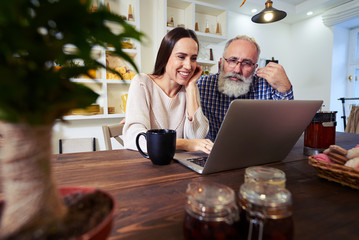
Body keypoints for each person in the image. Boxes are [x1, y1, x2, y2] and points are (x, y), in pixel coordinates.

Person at [123, 27, 213, 154]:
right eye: (181, 57)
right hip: (147, 166)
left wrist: (191, 87)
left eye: (193, 58)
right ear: (165, 56)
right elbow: (135, 138)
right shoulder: (142, 83)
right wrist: (185, 144)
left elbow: (197, 137)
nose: (188, 66)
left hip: (179, 167)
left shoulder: (190, 89)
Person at [197, 35, 294, 141]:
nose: (237, 70)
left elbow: (286, 130)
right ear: (221, 63)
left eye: (246, 63)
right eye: (232, 60)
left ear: (255, 68)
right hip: (209, 154)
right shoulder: (203, 84)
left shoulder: (266, 87)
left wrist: (285, 88)